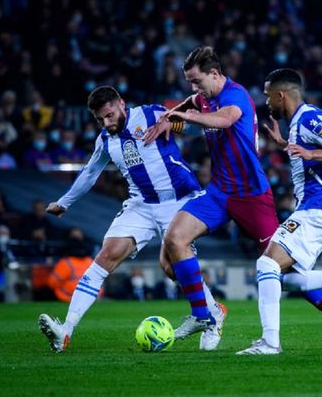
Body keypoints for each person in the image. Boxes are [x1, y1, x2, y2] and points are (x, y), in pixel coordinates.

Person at [144, 48, 322, 351]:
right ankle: (207, 314)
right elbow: (193, 103)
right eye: (190, 82)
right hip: (219, 191)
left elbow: (224, 120)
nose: (194, 88)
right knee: (174, 240)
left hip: (252, 195)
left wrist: (187, 117)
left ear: (215, 74)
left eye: (197, 81)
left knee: (285, 270)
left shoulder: (236, 95)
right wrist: (171, 119)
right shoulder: (202, 98)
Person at [37, 86, 220, 353]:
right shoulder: (105, 140)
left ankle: (211, 316)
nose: (106, 122)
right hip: (141, 205)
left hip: (180, 201)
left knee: (170, 268)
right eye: (100, 119)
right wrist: (64, 202)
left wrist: (178, 123)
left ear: (122, 104)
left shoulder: (152, 114)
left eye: (110, 115)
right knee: (106, 255)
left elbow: (192, 127)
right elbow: (89, 173)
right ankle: (65, 331)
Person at [236, 68, 322, 355]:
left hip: (317, 210)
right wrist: (287, 145)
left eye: (269, 96)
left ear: (281, 95)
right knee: (285, 278)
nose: (267, 103)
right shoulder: (298, 123)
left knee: (267, 265)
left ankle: (271, 343)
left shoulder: (310, 118)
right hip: (314, 210)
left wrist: (312, 153)